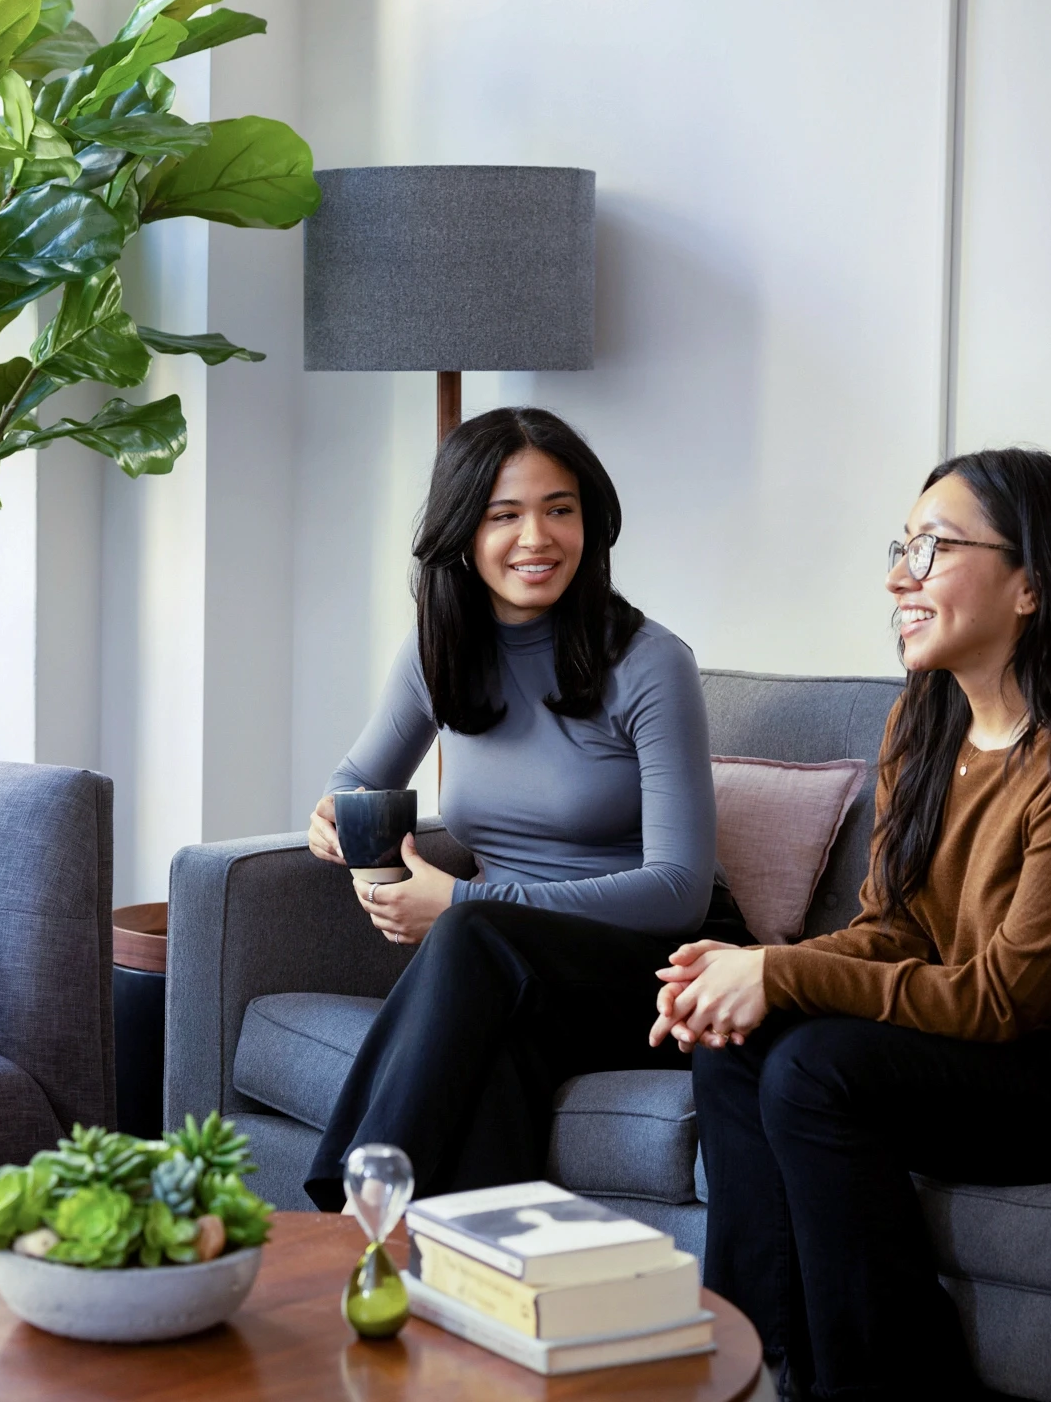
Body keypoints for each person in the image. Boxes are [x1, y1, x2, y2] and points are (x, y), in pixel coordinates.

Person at [653, 448, 1051, 1401]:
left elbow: (998, 999)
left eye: (933, 548)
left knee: (820, 1069)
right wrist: (746, 972)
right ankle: (751, 1370)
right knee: (738, 1044)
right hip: (1037, 1051)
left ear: (1030, 583)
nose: (898, 574)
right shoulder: (925, 718)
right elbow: (892, 932)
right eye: (901, 546)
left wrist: (778, 974)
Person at [302, 408, 734, 1211]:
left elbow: (679, 887)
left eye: (558, 509)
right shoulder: (441, 651)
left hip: (652, 967)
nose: (536, 537)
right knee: (493, 1060)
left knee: (469, 935)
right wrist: (336, 822)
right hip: (507, 975)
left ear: (588, 522)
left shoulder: (648, 663)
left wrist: (464, 900)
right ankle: (472, 1300)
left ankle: (345, 1210)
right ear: (462, 532)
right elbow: (356, 777)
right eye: (505, 514)